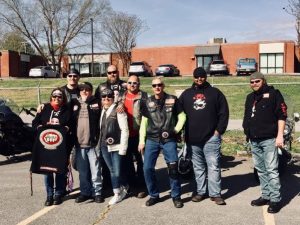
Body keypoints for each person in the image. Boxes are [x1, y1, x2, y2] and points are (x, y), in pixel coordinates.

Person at [179, 67, 229, 205]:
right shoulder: (186, 94)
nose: (199, 79)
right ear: (193, 77)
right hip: (193, 138)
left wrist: (218, 131)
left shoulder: (215, 93)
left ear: (205, 77)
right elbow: (178, 113)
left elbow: (224, 113)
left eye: (201, 76)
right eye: (196, 77)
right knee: (198, 167)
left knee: (213, 166)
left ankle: (215, 194)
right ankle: (201, 192)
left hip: (211, 138)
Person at [243, 72, 287, 213]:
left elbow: (282, 115)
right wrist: (247, 132)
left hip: (269, 139)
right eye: (252, 82)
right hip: (254, 140)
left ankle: (275, 199)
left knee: (271, 170)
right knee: (261, 170)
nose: (254, 84)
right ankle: (266, 195)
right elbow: (247, 117)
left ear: (263, 81)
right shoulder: (250, 98)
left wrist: (280, 136)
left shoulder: (274, 94)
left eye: (257, 81)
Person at [138, 77, 186, 208]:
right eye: (154, 86)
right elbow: (144, 123)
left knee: (173, 169)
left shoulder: (173, 99)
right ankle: (154, 195)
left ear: (163, 86)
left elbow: (182, 116)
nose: (157, 87)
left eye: (159, 85)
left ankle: (176, 196)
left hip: (168, 140)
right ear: (152, 87)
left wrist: (175, 130)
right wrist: (141, 141)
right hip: (152, 140)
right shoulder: (147, 102)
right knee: (147, 168)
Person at [32, 88, 72, 206]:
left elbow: (71, 124)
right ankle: (49, 195)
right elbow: (35, 123)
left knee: (59, 170)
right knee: (47, 171)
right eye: (54, 96)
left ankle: (58, 194)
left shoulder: (66, 110)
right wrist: (41, 127)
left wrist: (65, 128)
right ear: (51, 97)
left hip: (60, 147)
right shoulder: (44, 108)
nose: (57, 98)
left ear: (63, 98)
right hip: (45, 147)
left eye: (59, 96)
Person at [71, 82, 103, 204]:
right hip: (79, 144)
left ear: (91, 91)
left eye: (88, 89)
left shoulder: (96, 102)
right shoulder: (74, 103)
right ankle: (85, 192)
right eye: (82, 89)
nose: (85, 91)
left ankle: (97, 193)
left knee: (95, 170)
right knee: (83, 172)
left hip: (93, 144)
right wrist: (42, 105)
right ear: (79, 91)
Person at [97, 88, 129, 205]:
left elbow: (125, 130)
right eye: (104, 97)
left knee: (115, 171)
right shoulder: (102, 111)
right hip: (104, 146)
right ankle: (124, 185)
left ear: (113, 98)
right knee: (112, 170)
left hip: (116, 146)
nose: (106, 99)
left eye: (109, 97)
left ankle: (117, 193)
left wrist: (123, 149)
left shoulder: (119, 111)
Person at [120, 75, 148, 198]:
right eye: (130, 82)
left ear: (139, 84)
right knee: (127, 163)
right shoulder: (121, 96)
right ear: (127, 84)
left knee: (142, 163)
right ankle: (132, 186)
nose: (132, 85)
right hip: (125, 135)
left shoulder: (145, 96)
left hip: (139, 135)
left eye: (135, 83)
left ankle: (142, 186)